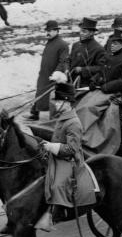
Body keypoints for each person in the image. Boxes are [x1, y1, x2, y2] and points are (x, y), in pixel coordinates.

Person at [40, 82, 97, 224]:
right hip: (58, 156)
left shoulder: (73, 123)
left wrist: (52, 147)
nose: (56, 104)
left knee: (58, 184)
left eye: (59, 101)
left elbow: (72, 149)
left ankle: (60, 212)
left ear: (67, 102)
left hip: (70, 160)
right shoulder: (63, 118)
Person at [27, 19, 69, 121]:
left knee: (50, 96)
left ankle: (53, 117)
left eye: (50, 30)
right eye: (47, 30)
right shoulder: (49, 42)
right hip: (44, 74)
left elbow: (63, 61)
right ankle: (35, 112)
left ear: (56, 31)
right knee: (39, 92)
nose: (48, 32)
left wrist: (57, 73)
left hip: (52, 76)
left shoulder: (62, 44)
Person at [68, 17, 107, 89]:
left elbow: (102, 68)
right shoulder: (75, 45)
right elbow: (69, 60)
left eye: (84, 31)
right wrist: (66, 69)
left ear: (92, 33)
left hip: (87, 85)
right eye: (81, 31)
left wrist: (83, 70)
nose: (81, 33)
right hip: (71, 82)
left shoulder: (98, 49)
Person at [96, 29, 122, 95]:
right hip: (104, 90)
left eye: (115, 44)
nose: (112, 45)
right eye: (112, 43)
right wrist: (94, 80)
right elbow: (102, 71)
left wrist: (107, 86)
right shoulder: (109, 56)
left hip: (119, 93)